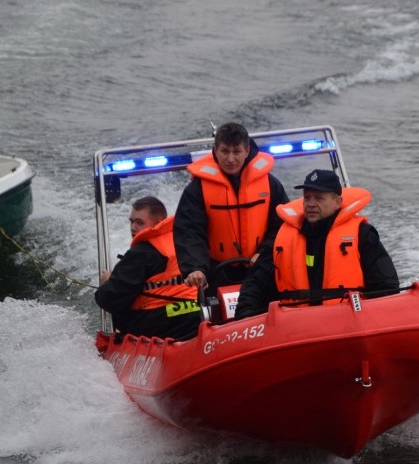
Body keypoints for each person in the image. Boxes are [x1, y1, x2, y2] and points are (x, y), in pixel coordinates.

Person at [234, 169, 399, 318]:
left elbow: (386, 287)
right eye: (307, 197)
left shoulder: (362, 234)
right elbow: (255, 286)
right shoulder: (283, 238)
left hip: (348, 325)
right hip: (294, 330)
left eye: (319, 198)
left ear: (337, 202)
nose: (311, 204)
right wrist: (246, 318)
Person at [173, 122, 290, 291]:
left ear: (247, 151)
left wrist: (264, 253)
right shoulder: (196, 190)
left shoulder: (271, 184)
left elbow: (281, 225)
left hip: (260, 267)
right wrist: (196, 268)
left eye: (236, 152)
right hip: (216, 272)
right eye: (225, 151)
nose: (230, 159)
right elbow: (189, 232)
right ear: (215, 150)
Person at [95, 196, 201, 340]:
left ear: (158, 223)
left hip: (155, 327)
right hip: (194, 318)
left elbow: (110, 299)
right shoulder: (186, 241)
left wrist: (106, 284)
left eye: (139, 222)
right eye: (131, 222)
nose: (133, 227)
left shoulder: (142, 253)